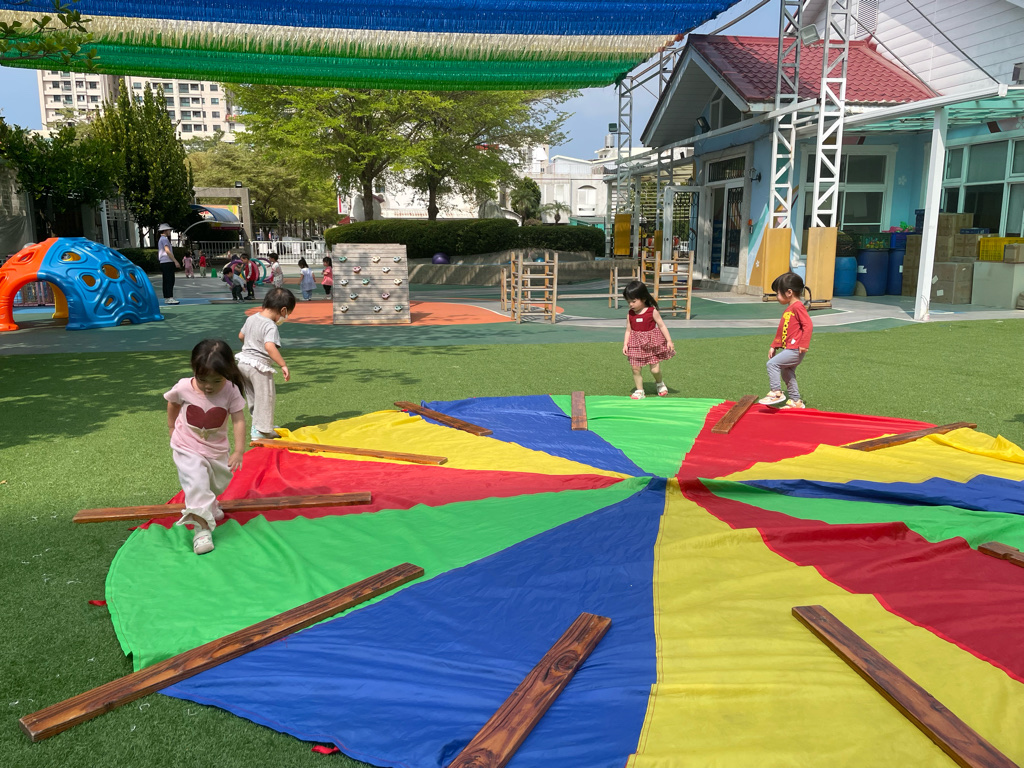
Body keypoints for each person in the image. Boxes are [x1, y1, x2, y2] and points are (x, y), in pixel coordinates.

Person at [164, 339, 247, 555]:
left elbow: (238, 420)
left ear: (227, 373)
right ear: (194, 370)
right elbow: (172, 403)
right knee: (197, 482)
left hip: (215, 448)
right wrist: (172, 426)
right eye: (202, 380)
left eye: (216, 380)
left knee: (215, 482)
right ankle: (201, 530)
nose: (209, 386)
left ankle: (210, 505)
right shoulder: (184, 386)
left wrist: (239, 450)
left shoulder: (230, 391)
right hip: (186, 444)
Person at [236, 287, 295, 440]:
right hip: (259, 367)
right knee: (265, 397)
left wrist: (251, 344)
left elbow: (241, 335)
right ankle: (261, 431)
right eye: (287, 314)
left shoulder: (251, 318)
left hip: (243, 363)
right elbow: (269, 346)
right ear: (283, 310)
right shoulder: (270, 325)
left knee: (253, 397)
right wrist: (283, 364)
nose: (285, 317)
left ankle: (259, 425)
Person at [759, 271, 813, 410]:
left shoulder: (798, 307)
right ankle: (796, 401)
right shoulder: (790, 309)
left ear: (789, 292)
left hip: (796, 349)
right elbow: (782, 329)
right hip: (791, 349)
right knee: (787, 373)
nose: (777, 297)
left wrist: (804, 344)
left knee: (772, 364)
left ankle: (776, 392)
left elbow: (808, 325)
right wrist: (774, 346)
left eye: (778, 293)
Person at [622, 280, 675, 400]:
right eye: (628, 302)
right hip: (635, 344)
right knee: (635, 368)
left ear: (644, 298)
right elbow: (628, 330)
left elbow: (662, 325)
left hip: (651, 344)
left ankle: (660, 383)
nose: (630, 304)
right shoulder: (630, 314)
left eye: (633, 301)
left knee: (655, 370)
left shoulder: (652, 311)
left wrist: (669, 341)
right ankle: (640, 391)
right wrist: (625, 344)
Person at [157, 224, 180, 305]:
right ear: (165, 230)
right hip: (167, 261)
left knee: (166, 280)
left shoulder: (161, 239)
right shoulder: (164, 239)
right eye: (169, 230)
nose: (170, 231)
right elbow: (167, 251)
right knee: (170, 280)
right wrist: (175, 261)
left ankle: (167, 297)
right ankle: (170, 297)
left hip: (163, 262)